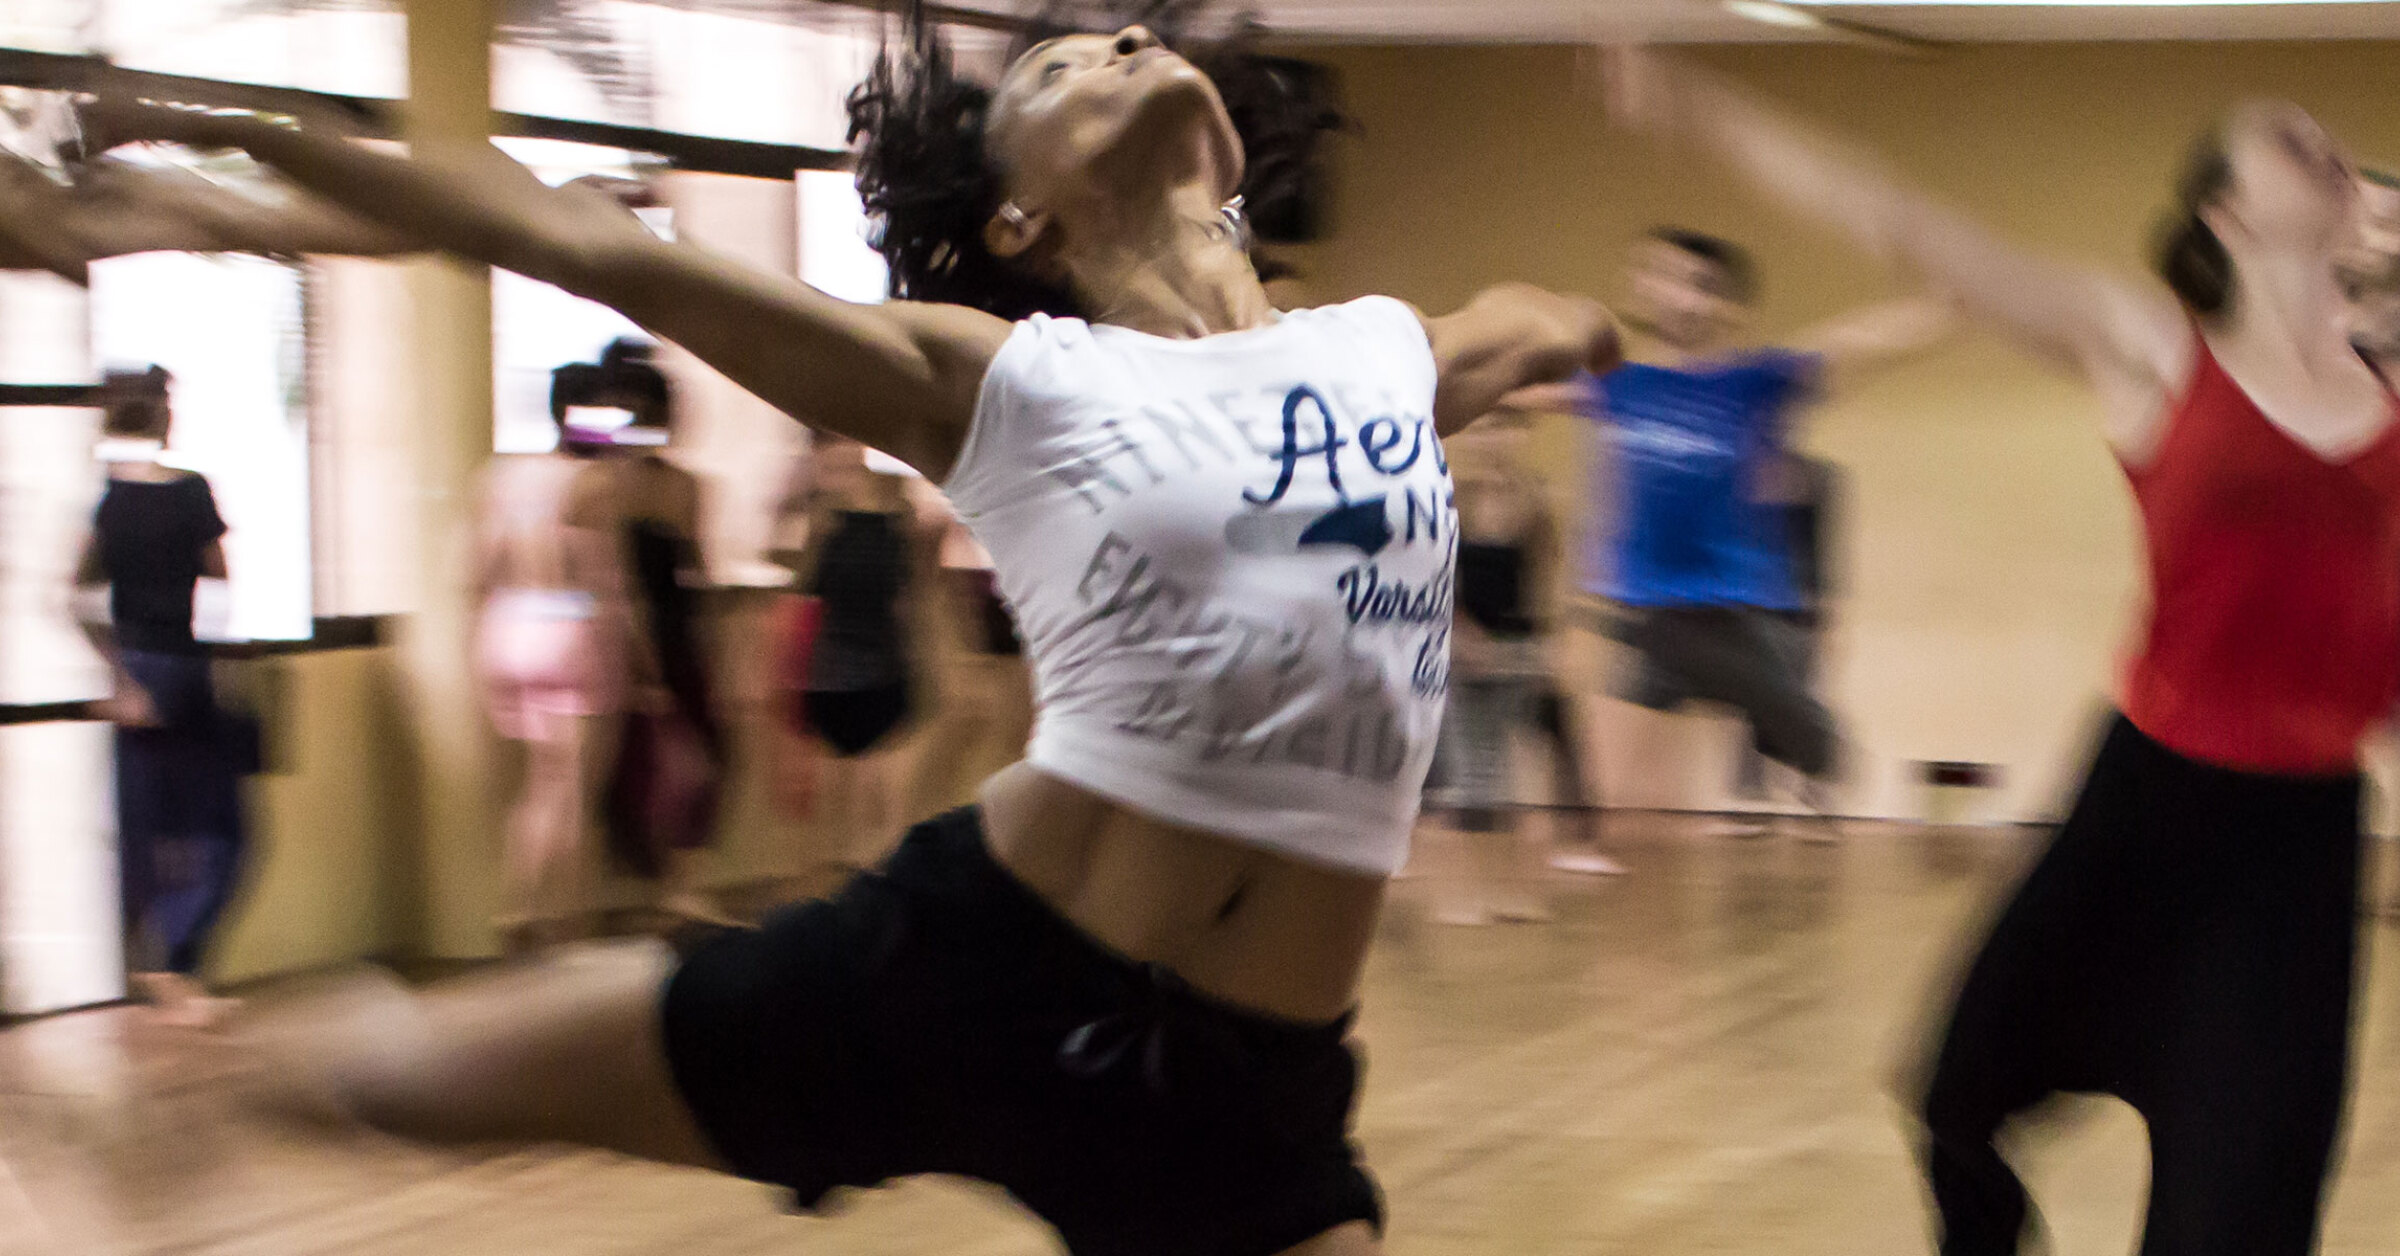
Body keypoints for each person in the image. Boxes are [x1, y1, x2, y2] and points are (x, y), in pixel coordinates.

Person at [72, 16, 1618, 1256]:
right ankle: (171, 1115)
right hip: (968, 971)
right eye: (1055, 72)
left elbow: (1551, 321)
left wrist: (1622, 334)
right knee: (416, 1077)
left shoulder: (1382, 352)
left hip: (1240, 1077)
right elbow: (591, 248)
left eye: (1125, 40)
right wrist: (226, 158)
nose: (1119, 48)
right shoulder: (1006, 380)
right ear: (1018, 215)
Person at [1609, 49, 2400, 1255]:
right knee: (1959, 1095)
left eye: (2325, 136)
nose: (2322, 141)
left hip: (2300, 849)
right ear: (2226, 212)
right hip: (2148, 806)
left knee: (2241, 1218)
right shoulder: (2148, 342)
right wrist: (1697, 105)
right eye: (2283, 135)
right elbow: (1903, 220)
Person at [1510, 229, 1950, 841]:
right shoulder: (1620, 384)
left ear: (1729, 308)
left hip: (1732, 616)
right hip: (1641, 615)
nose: (1675, 296)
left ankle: (1807, 751)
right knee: (1619, 794)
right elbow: (1513, 387)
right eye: (1660, 276)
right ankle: (1605, 868)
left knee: (1824, 754)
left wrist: (1951, 302)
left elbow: (1859, 340)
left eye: (1698, 285)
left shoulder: (1754, 383)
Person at [72, 367, 252, 1029]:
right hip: (185, 667)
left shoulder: (108, 502)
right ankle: (174, 965)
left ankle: (157, 966)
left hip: (140, 673)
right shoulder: (190, 493)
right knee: (222, 829)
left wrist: (120, 680)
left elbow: (74, 598)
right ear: (161, 417)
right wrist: (219, 661)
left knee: (147, 829)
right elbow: (221, 582)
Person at [1425, 412, 1612, 924]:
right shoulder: (1452, 499)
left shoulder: (1534, 502)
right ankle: (1459, 895)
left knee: (1506, 779)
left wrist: (1552, 642)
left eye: (1508, 430)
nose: (1497, 440)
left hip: (1518, 651)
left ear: (1523, 436)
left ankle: (1504, 893)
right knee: (1470, 777)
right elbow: (1434, 576)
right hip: (1464, 652)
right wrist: (1459, 633)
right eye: (1486, 429)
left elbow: (1548, 576)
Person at [780, 434, 935, 871]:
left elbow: (917, 599)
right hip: (843, 667)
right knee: (848, 801)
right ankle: (846, 886)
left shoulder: (898, 522)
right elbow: (804, 585)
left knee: (871, 798)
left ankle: (857, 886)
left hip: (873, 666)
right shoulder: (834, 519)